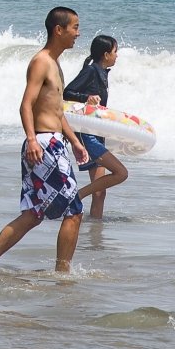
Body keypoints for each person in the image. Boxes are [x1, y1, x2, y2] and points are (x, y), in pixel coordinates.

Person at [0, 8, 93, 273]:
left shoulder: (55, 63)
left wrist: (74, 141)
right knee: (73, 210)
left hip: (50, 142)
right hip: (43, 144)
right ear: (58, 30)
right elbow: (25, 105)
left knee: (33, 214)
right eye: (74, 27)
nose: (78, 33)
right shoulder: (41, 61)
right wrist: (32, 139)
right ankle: (63, 273)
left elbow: (56, 110)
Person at [61, 26, 131, 220]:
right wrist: (87, 97)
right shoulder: (91, 70)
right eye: (115, 52)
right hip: (87, 135)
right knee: (120, 173)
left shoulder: (102, 72)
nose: (117, 56)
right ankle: (77, 196)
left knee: (100, 191)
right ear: (106, 54)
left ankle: (94, 231)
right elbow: (67, 92)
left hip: (96, 133)